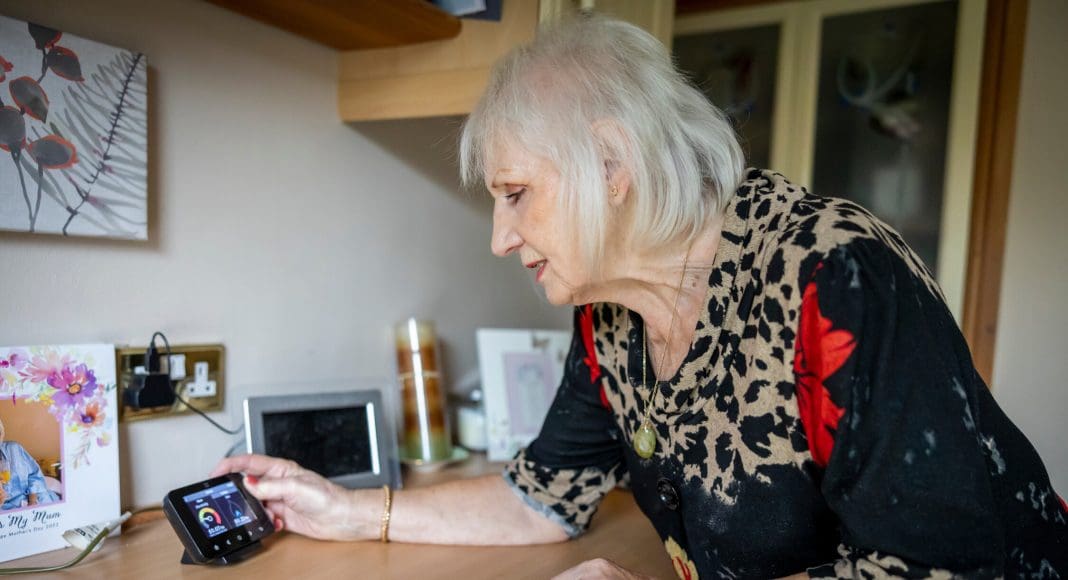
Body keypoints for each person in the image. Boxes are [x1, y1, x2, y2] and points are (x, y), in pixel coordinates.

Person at [213, 16, 1067, 578]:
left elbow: (937, 571)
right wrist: (351, 512)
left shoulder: (836, 275)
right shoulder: (608, 320)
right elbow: (543, 497)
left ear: (611, 165)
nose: (500, 238)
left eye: (516, 194)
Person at [0, 417, 58, 511]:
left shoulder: (14, 448)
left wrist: (32, 502)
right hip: (6, 510)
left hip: (32, 497)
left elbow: (34, 474)